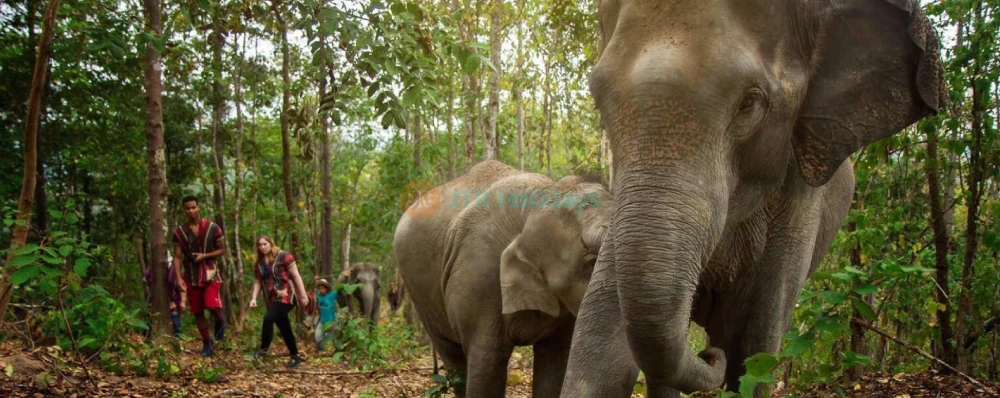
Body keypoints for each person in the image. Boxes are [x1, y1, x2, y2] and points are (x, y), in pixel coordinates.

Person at [172, 195, 226, 356]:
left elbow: (222, 249)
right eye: (187, 208)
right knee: (197, 311)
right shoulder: (179, 232)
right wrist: (178, 277)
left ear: (198, 207)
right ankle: (207, 342)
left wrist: (204, 255)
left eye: (193, 207)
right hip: (191, 274)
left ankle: (219, 320)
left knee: (212, 305)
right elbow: (177, 256)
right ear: (184, 210)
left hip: (210, 272)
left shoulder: (213, 228)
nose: (191, 211)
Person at [250, 235, 309, 368]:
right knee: (284, 327)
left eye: (265, 244)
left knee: (268, 318)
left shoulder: (284, 256)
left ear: (271, 243)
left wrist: (303, 295)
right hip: (271, 298)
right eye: (260, 245)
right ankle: (295, 356)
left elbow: (296, 275)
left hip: (286, 296)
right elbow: (258, 281)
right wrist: (253, 298)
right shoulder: (259, 263)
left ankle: (263, 350)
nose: (262, 247)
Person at [313, 278, 338, 352]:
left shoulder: (332, 295)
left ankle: (338, 353)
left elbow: (340, 289)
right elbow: (316, 287)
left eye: (323, 288)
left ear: (326, 289)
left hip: (332, 321)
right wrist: (316, 279)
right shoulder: (319, 295)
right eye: (319, 288)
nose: (321, 290)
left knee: (335, 338)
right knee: (317, 336)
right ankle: (321, 351)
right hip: (322, 321)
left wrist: (346, 277)